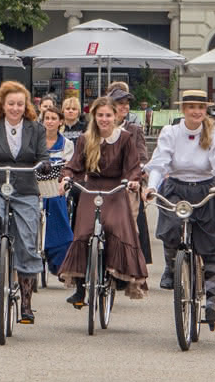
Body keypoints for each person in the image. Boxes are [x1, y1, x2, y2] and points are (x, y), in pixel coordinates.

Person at [145, 91, 215, 329]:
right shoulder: (171, 132)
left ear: (206, 110)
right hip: (177, 187)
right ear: (183, 109)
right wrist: (151, 187)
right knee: (172, 225)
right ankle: (173, 265)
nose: (196, 111)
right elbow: (159, 162)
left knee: (212, 245)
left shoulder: (214, 132)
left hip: (206, 187)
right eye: (191, 107)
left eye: (201, 107)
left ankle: (210, 303)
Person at [0, 81, 49, 323]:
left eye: (19, 104)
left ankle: (26, 302)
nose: (15, 108)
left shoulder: (36, 129)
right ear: (2, 105)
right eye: (11, 104)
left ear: (26, 106)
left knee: (26, 242)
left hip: (25, 188)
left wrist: (45, 164)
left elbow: (43, 155)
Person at [59, 95, 149, 304]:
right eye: (100, 115)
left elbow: (133, 166)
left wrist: (133, 181)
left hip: (116, 188)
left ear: (115, 116)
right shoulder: (85, 138)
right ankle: (81, 288)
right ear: (94, 116)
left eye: (108, 115)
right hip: (92, 189)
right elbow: (74, 165)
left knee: (116, 226)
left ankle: (117, 274)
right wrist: (66, 178)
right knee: (83, 231)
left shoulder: (125, 138)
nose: (104, 119)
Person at [110, 88, 152, 265]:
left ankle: (135, 260)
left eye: (126, 104)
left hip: (129, 180)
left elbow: (142, 155)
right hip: (105, 181)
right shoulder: (101, 126)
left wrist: (140, 171)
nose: (125, 107)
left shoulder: (134, 129)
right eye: (120, 103)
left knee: (135, 220)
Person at [39, 104, 74, 274]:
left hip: (56, 187)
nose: (50, 122)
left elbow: (68, 167)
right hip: (35, 186)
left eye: (54, 118)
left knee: (57, 205)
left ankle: (59, 257)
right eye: (47, 118)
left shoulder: (66, 144)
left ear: (61, 122)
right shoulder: (35, 141)